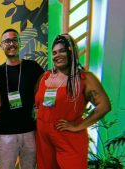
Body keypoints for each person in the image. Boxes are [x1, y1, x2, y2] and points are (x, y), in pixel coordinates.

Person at [35, 33, 111, 169]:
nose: (58, 55)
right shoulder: (45, 77)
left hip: (68, 137)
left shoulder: (84, 78)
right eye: (54, 52)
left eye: (62, 51)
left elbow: (104, 106)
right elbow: (38, 105)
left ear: (72, 52)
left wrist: (78, 126)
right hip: (44, 138)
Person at [0, 28, 44, 169]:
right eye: (7, 41)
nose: (11, 44)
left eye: (14, 40)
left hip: (30, 131)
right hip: (5, 133)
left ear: (20, 42)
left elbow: (46, 86)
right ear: (2, 45)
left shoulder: (32, 67)